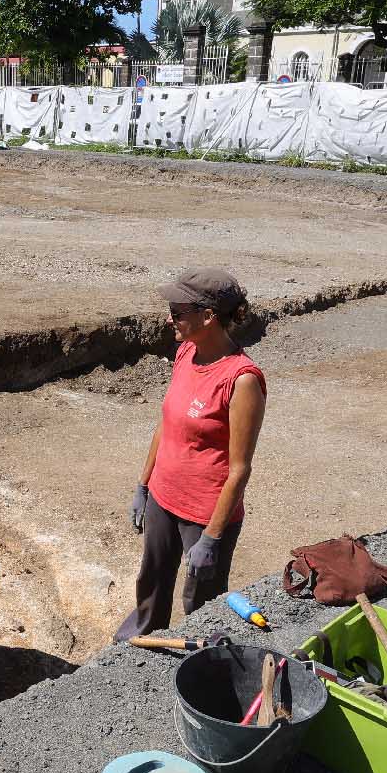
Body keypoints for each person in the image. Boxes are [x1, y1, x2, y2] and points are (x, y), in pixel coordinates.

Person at [114, 268, 267, 642]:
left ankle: (200, 663)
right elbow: (166, 424)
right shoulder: (185, 353)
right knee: (150, 583)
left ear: (208, 316)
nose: (171, 318)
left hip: (204, 515)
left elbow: (239, 470)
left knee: (201, 603)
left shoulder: (242, 379)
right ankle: (139, 646)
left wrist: (212, 538)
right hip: (163, 500)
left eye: (178, 311)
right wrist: (143, 484)